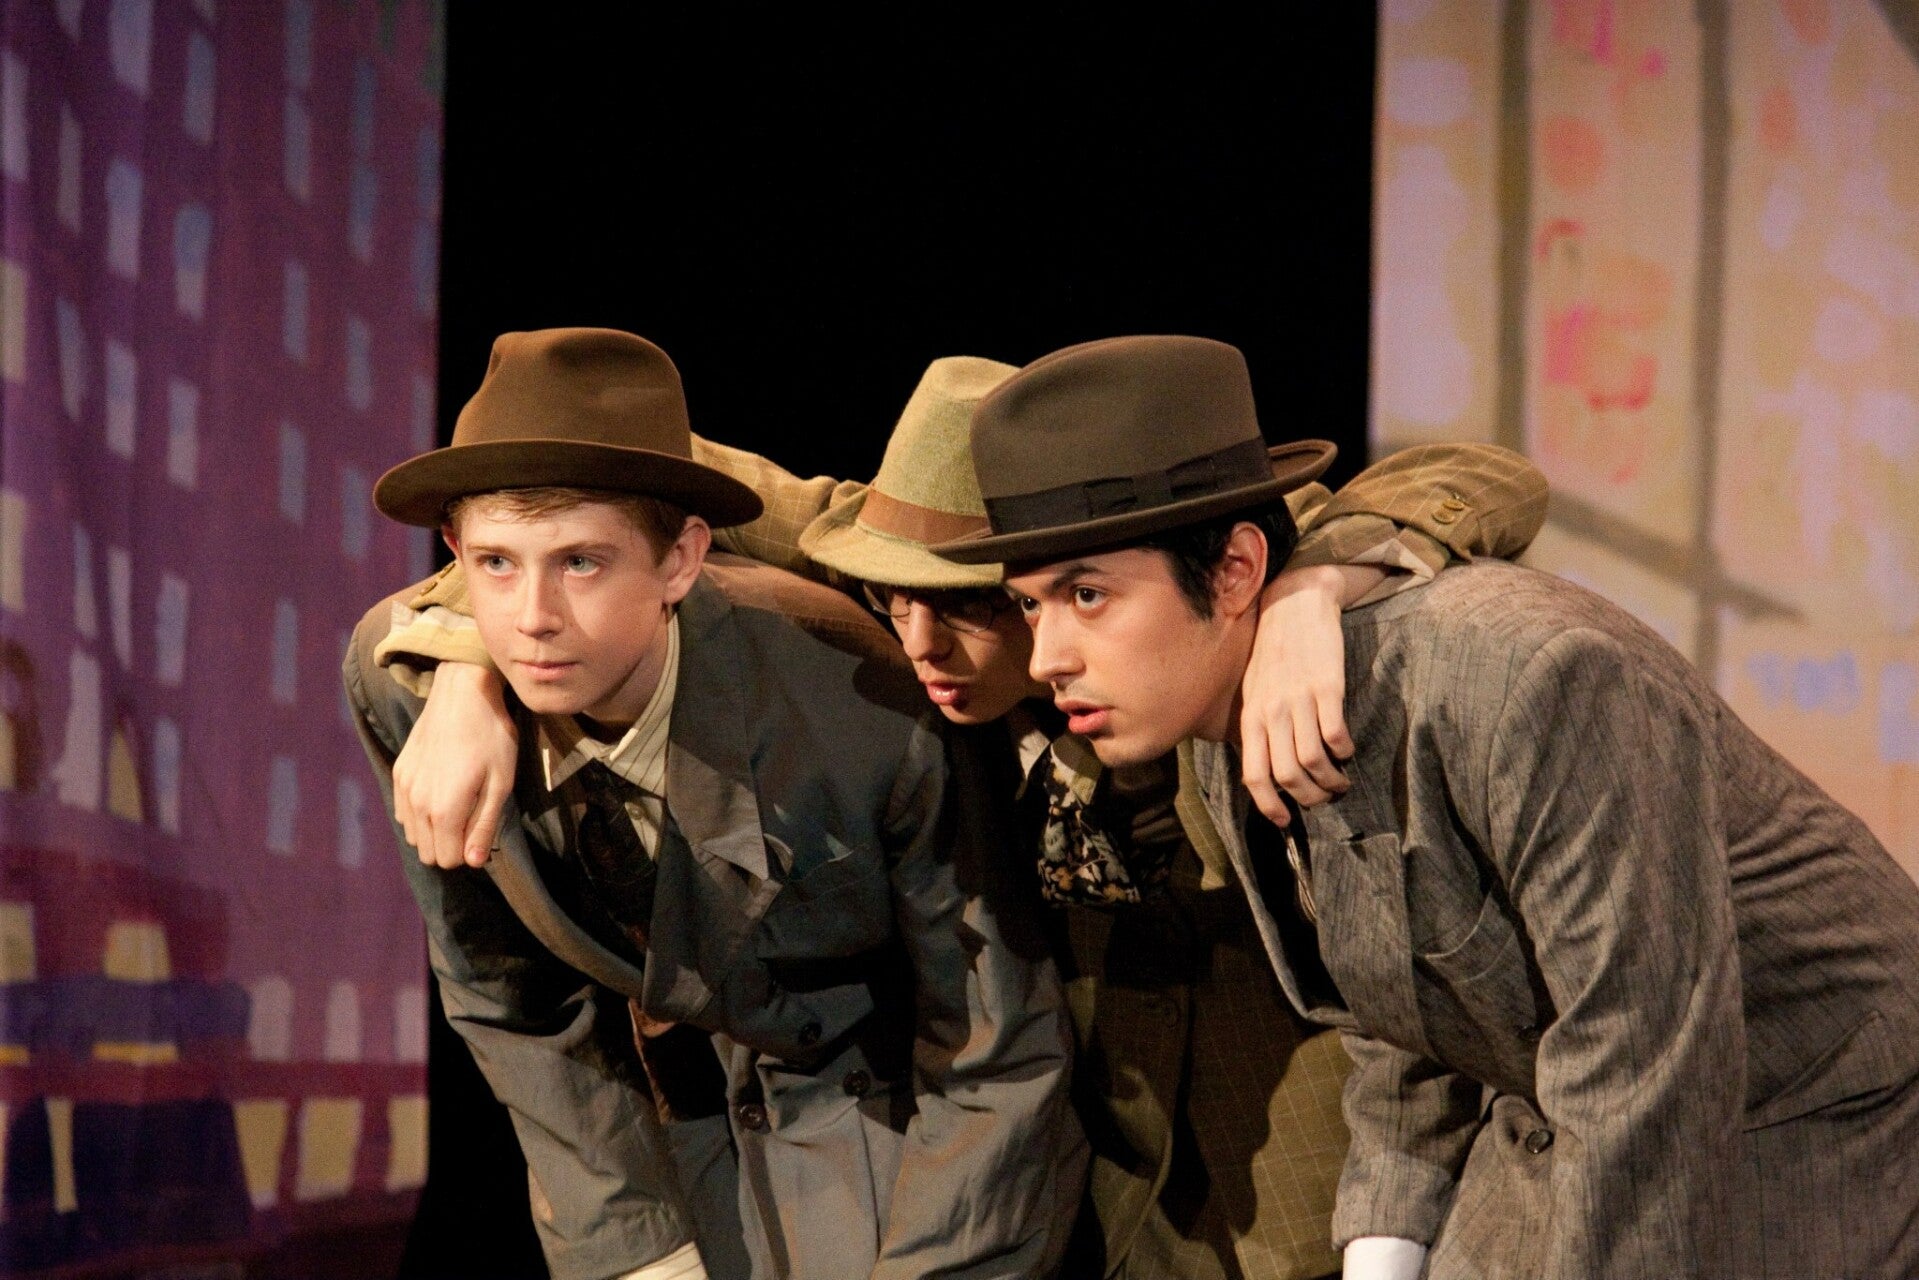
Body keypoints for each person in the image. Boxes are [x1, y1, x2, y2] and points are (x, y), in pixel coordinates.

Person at [381, 353, 1549, 1279]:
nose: (919, 644)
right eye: (891, 598)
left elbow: (1479, 472)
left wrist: (1314, 588)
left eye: (972, 605)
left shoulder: (1166, 567)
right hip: (1066, 1140)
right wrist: (463, 660)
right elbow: (581, 478)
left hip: (1289, 1127)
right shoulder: (893, 533)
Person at [937, 332, 1919, 1280]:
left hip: (1800, 1103)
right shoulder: (1217, 724)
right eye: (1028, 604)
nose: (1045, 657)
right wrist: (1383, 1253)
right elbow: (1400, 1014)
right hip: (1554, 1105)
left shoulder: (1525, 679)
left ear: (1235, 570)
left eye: (1087, 595)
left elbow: (1643, 1063)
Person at [344, 328, 1082, 1280]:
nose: (531, 619)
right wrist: (635, 1251)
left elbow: (991, 1037)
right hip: (670, 1120)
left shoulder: (867, 696)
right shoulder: (403, 682)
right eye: (494, 565)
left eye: (581, 564)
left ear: (682, 559)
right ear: (451, 554)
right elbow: (505, 995)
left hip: (876, 1107)